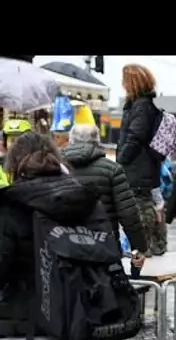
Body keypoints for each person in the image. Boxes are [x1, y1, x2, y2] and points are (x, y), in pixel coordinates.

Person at [0, 132, 110, 337]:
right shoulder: (87, 199)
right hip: (89, 312)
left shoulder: (12, 204)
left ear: (14, 166)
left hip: (25, 319)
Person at [63, 124, 148, 261]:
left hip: (64, 245)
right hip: (106, 245)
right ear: (97, 141)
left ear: (71, 140)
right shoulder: (112, 170)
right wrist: (138, 248)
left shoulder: (58, 167)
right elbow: (128, 214)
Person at [117, 64, 166, 257]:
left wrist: (121, 160)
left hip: (138, 169)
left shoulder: (141, 106)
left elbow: (135, 136)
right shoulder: (139, 105)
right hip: (142, 168)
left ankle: (147, 252)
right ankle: (148, 250)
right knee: (141, 209)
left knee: (140, 211)